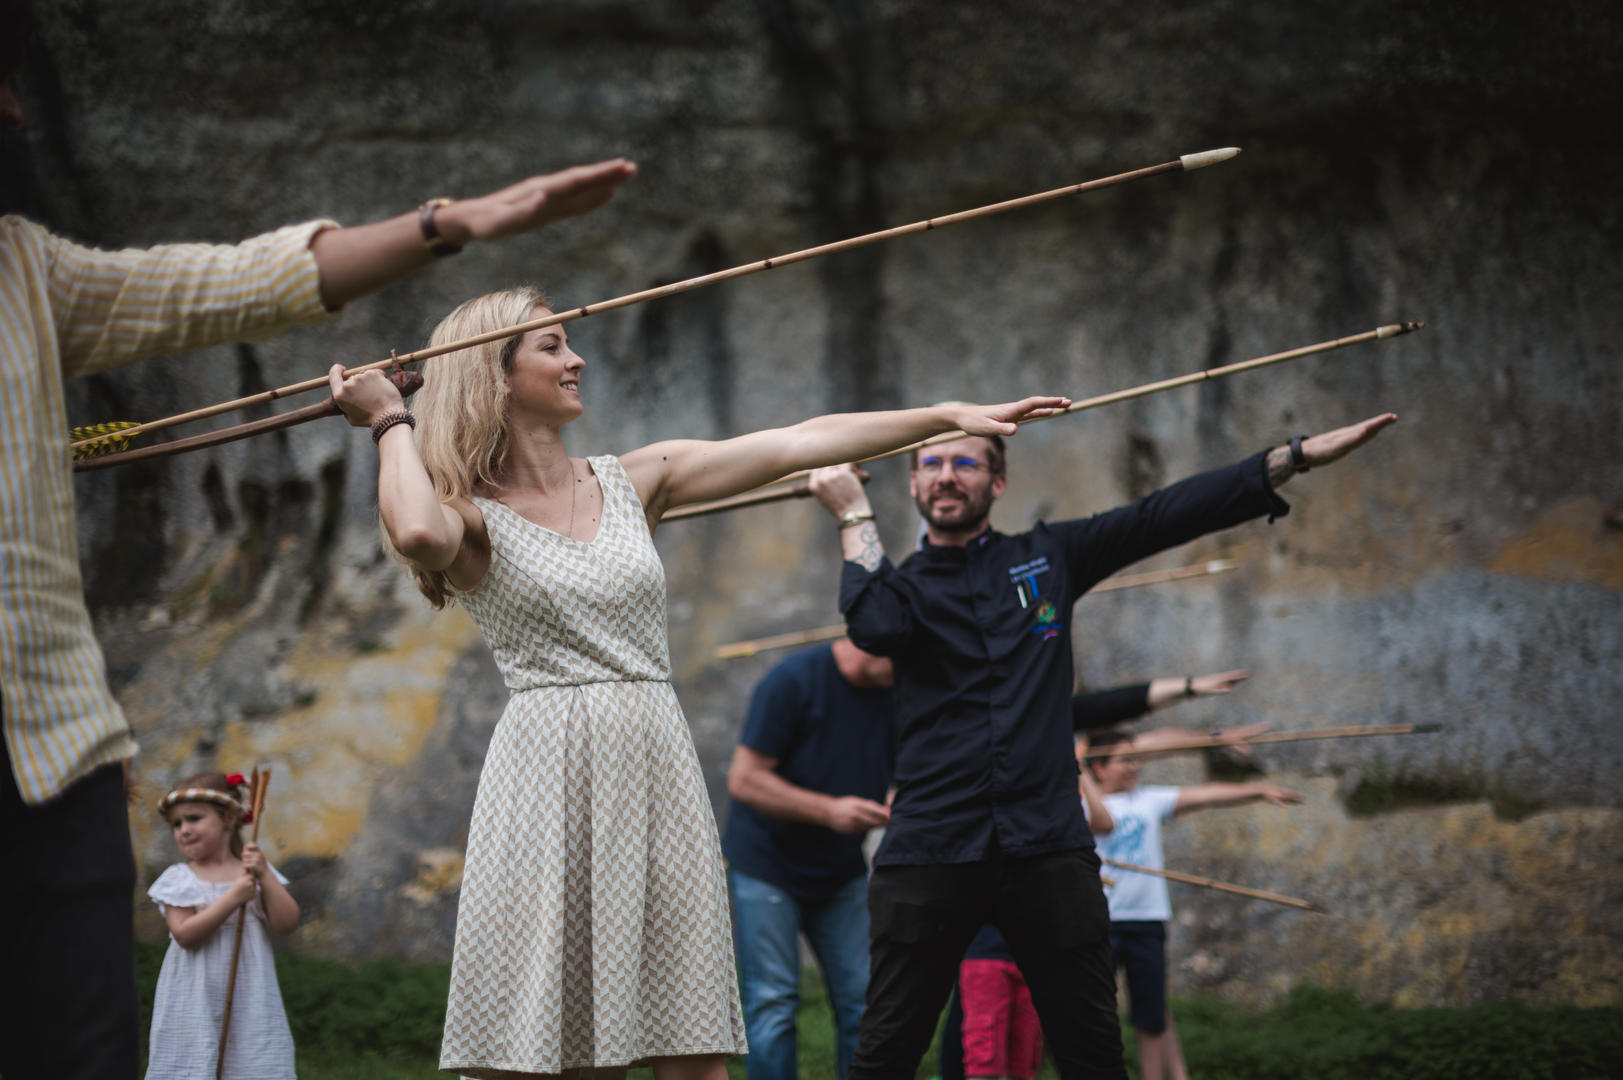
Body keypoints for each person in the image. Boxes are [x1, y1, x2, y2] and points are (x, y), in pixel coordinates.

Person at [0, 6, 636, 1072]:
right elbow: (421, 527)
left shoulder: (22, 268)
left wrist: (457, 221)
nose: (18, 112)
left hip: (55, 757)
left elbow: (232, 284)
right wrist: (389, 421)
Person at [327, 288, 1069, 1079]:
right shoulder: (466, 514)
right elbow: (415, 531)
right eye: (551, 346)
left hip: (656, 763)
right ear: (494, 374)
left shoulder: (637, 478)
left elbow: (797, 441)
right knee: (553, 1053)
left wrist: (945, 416)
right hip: (549, 775)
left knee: (692, 1044)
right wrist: (390, 419)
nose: (577, 359)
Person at [807, 412, 1397, 1079]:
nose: (947, 476)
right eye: (932, 464)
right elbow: (874, 627)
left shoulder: (1047, 556)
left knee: (1092, 1056)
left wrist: (1292, 456)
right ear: (913, 482)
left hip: (1046, 848)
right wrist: (851, 511)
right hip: (930, 849)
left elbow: (1159, 516)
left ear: (997, 483)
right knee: (884, 1056)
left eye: (966, 462)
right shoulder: (900, 589)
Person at [937, 671, 1265, 1079]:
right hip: (996, 935)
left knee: (1028, 1048)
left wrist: (1208, 732)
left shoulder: (1059, 739)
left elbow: (1141, 739)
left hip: (1039, 934)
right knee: (980, 1034)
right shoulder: (991, 743)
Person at [721, 636, 896, 1080]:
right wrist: (829, 811)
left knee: (866, 1000)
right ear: (872, 637)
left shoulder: (899, 690)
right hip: (767, 866)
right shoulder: (791, 683)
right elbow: (744, 779)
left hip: (841, 869)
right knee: (773, 1003)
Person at [1087, 729, 1305, 1080]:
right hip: (1102, 922)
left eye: (1137, 759)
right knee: (1094, 1011)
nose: (1134, 766)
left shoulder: (1148, 800)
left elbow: (1206, 795)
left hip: (1147, 920)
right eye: (1125, 760)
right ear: (1098, 767)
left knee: (1152, 1014)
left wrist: (1257, 791)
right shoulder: (1082, 805)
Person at [145, 771, 300, 1079]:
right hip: (195, 993)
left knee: (250, 1058)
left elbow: (287, 922)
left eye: (194, 818)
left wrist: (265, 875)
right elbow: (184, 934)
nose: (184, 830)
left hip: (249, 991)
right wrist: (232, 898)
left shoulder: (252, 873)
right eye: (177, 824)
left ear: (229, 818)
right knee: (194, 1058)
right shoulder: (179, 878)